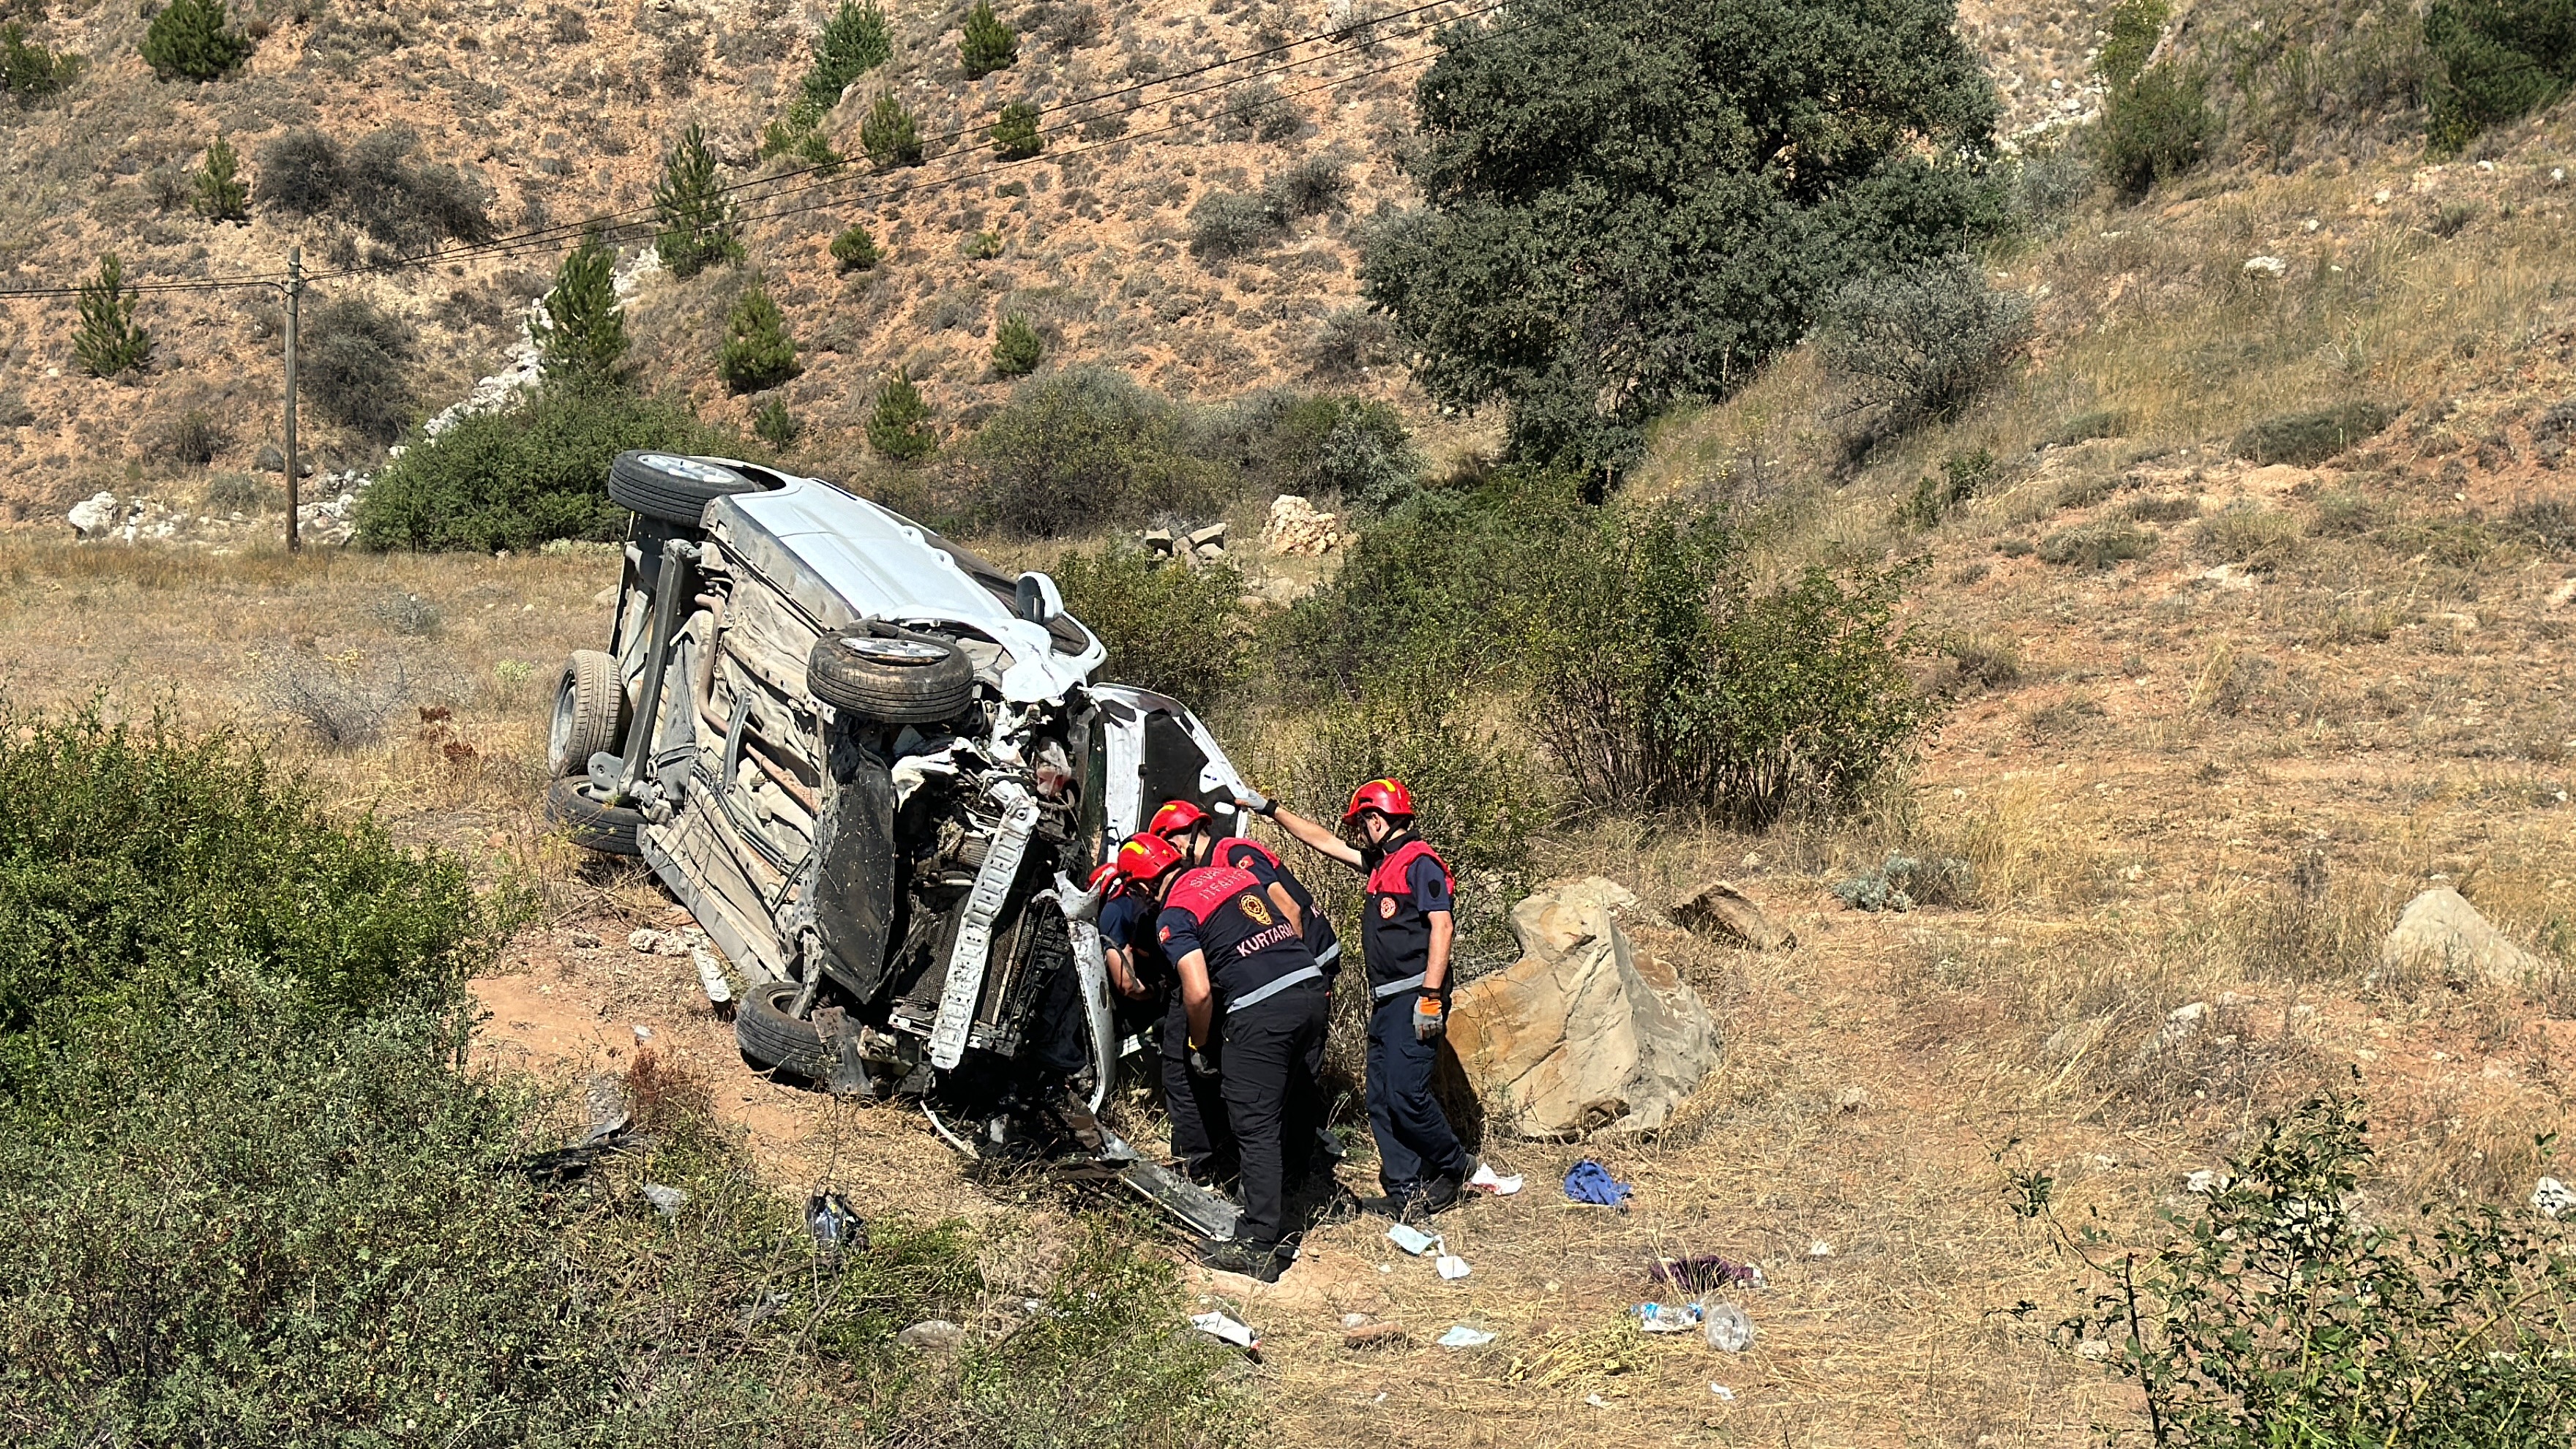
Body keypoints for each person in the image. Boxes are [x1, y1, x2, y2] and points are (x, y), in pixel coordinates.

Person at [1251, 778, 1473, 1219]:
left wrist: (1430, 996)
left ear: (1377, 819)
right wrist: (1270, 808)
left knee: (1407, 1093)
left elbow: (1442, 928)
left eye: (1362, 822)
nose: (1358, 832)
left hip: (1415, 995)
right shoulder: (1381, 862)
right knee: (1380, 1095)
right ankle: (1405, 1190)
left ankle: (1456, 1166)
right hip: (1388, 1000)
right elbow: (1324, 842)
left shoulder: (1419, 862)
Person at [1120, 830, 1330, 1281]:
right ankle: (1297, 1187)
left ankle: (1258, 1243)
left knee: (1253, 1121)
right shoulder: (1229, 876)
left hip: (1264, 1011)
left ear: (1141, 888)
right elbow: (1289, 917)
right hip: (1310, 988)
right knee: (1286, 1098)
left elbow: (1196, 992)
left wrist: (1198, 1044)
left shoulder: (1174, 914)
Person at [1096, 849, 1238, 1188]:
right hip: (1235, 989)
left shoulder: (1116, 911)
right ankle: (1222, 1155)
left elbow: (1125, 984)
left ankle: (1194, 1167)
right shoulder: (1212, 884)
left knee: (1179, 1073)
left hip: (1183, 992)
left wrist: (1155, 997)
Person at [1145, 799, 1343, 989]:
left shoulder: (1234, 854)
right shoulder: (1213, 863)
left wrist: (1293, 971)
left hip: (1312, 956)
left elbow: (1289, 908)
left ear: (1175, 844)